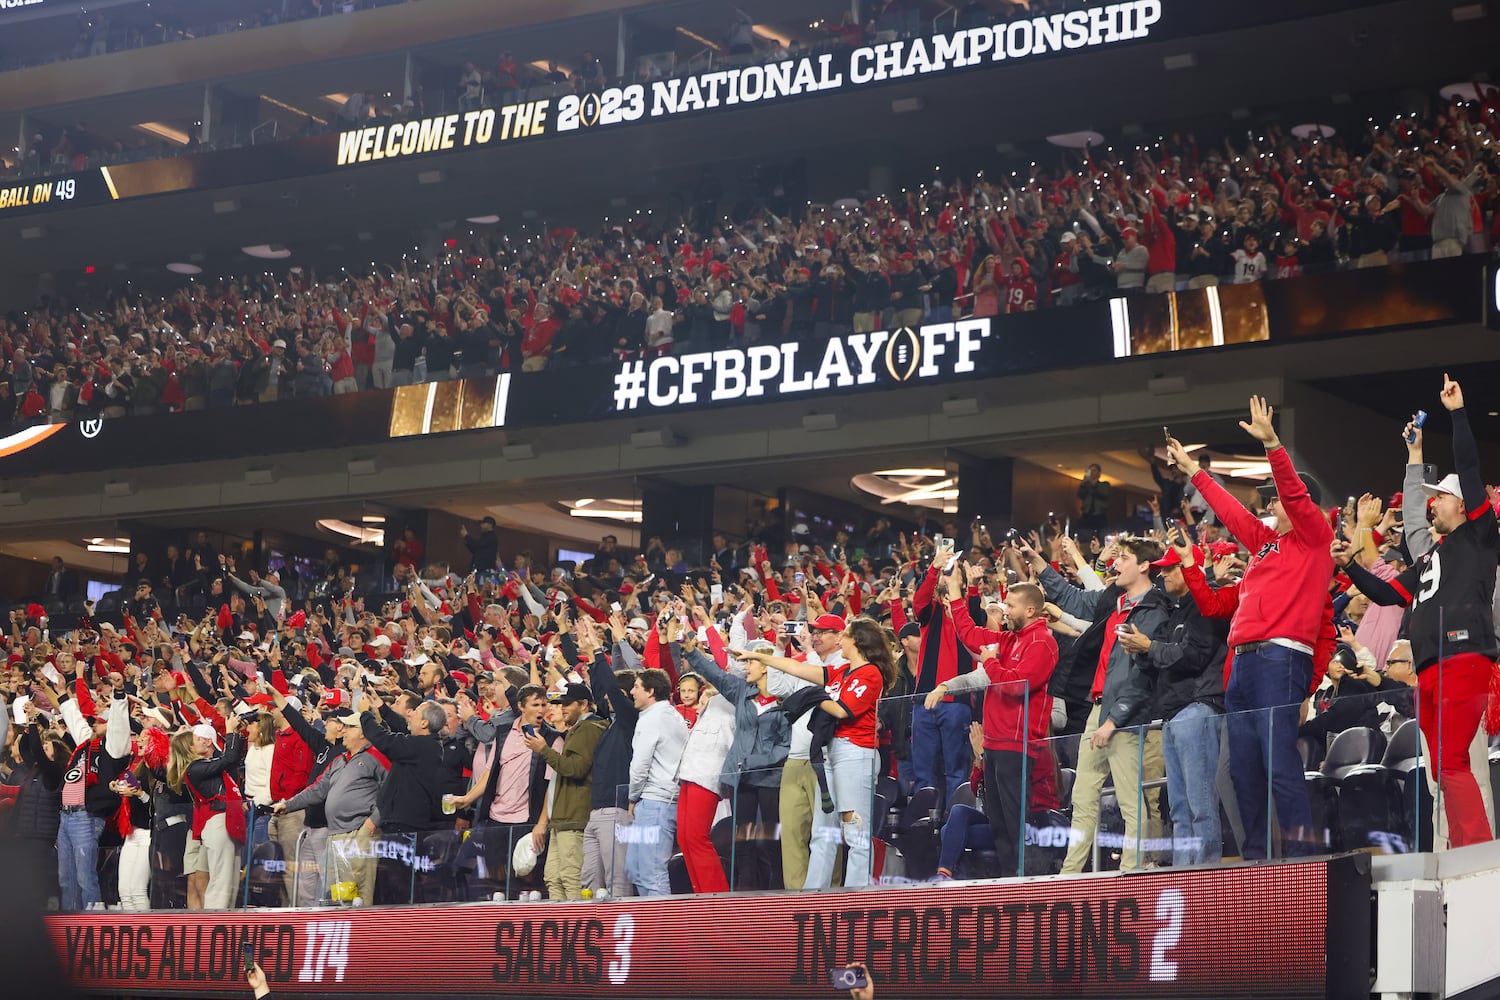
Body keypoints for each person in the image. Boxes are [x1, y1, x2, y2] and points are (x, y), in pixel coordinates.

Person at [1167, 395, 1334, 859]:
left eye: (1279, 497)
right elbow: (1231, 514)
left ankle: (1302, 864)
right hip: (1243, 665)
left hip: (1281, 659)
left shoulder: (1315, 537)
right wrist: (1194, 474)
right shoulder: (1265, 544)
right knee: (1242, 769)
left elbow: (1296, 497)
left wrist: (1274, 445)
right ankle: (1260, 864)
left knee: (1280, 764)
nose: (1271, 503)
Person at [1336, 375, 1497, 848]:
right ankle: (1461, 852)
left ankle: (1476, 852)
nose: (1433, 505)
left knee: (1451, 763)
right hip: (1430, 668)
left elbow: (1468, 466)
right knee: (1443, 770)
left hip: (1464, 656)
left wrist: (1458, 413)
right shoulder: (1430, 556)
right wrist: (1349, 566)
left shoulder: (1480, 534)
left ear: (1466, 504)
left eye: (1441, 497)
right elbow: (1387, 595)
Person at [1024, 535, 1169, 872]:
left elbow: (1141, 677)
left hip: (1126, 716)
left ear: (1145, 565)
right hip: (1098, 709)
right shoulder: (1115, 601)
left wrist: (1114, 721)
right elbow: (1073, 598)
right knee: (1083, 797)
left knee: (1132, 801)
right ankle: (1071, 874)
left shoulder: (1154, 612)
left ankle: (1131, 873)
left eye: (1124, 558)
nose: (1115, 564)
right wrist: (1038, 561)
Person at [734, 617, 892, 887]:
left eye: (846, 634)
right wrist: (755, 655)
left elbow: (843, 710)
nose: (840, 638)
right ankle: (813, 896)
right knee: (823, 832)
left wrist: (814, 697)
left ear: (859, 641)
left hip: (855, 754)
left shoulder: (870, 674)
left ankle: (856, 896)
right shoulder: (842, 673)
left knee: (855, 832)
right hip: (830, 754)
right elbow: (795, 668)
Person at [928, 575, 1057, 877]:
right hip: (995, 745)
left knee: (1015, 825)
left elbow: (1015, 686)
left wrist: (988, 662)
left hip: (1019, 744)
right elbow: (969, 635)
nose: (1005, 611)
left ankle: (1030, 886)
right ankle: (1010, 885)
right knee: (999, 824)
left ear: (1030, 610)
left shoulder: (1042, 642)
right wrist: (957, 595)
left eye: (1011, 606)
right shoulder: (1010, 639)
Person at [1116, 530, 1230, 865]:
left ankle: (1203, 877)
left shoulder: (1205, 608)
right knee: (1179, 808)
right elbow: (1158, 659)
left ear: (1189, 568)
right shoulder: (1176, 610)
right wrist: (1139, 649)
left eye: (1170, 568)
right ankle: (1184, 877)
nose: (1163, 574)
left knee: (1199, 805)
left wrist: (1149, 647)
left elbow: (1191, 657)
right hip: (1173, 715)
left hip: (1198, 709)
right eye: (1162, 569)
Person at [680, 634, 791, 889]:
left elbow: (786, 743)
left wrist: (757, 760)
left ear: (766, 666)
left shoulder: (785, 700)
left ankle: (778, 892)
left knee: (773, 839)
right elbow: (716, 674)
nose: (745, 667)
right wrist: (690, 650)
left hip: (770, 778)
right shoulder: (742, 692)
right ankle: (745, 894)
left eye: (751, 662)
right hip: (743, 779)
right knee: (743, 841)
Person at [274, 710, 388, 905]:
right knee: (336, 896)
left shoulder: (376, 756)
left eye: (349, 727)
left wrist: (371, 823)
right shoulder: (339, 760)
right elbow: (318, 789)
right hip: (334, 836)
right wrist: (289, 805)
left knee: (359, 895)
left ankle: (361, 934)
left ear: (362, 732)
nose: (343, 731)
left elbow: (391, 792)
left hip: (359, 834)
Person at [523, 682, 606, 901]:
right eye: (560, 704)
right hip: (562, 818)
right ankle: (562, 931)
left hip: (575, 817)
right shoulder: (576, 729)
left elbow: (576, 769)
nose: (562, 708)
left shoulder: (589, 728)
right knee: (553, 878)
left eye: (567, 704)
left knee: (570, 878)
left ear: (584, 704)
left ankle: (578, 931)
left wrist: (544, 750)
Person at [169, 718, 248, 909]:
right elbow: (228, 759)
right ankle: (214, 925)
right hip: (217, 822)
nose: (198, 742)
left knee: (230, 881)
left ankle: (226, 926)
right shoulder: (194, 769)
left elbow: (229, 758)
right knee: (221, 879)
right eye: (195, 741)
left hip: (228, 820)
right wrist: (229, 732)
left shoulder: (208, 765)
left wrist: (236, 734)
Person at [625, 668, 688, 896]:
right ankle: (650, 925)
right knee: (634, 870)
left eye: (637, 687)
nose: (631, 691)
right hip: (661, 802)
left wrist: (632, 797)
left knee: (651, 873)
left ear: (650, 692)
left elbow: (639, 766)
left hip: (655, 803)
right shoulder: (673, 716)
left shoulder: (652, 719)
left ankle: (662, 929)